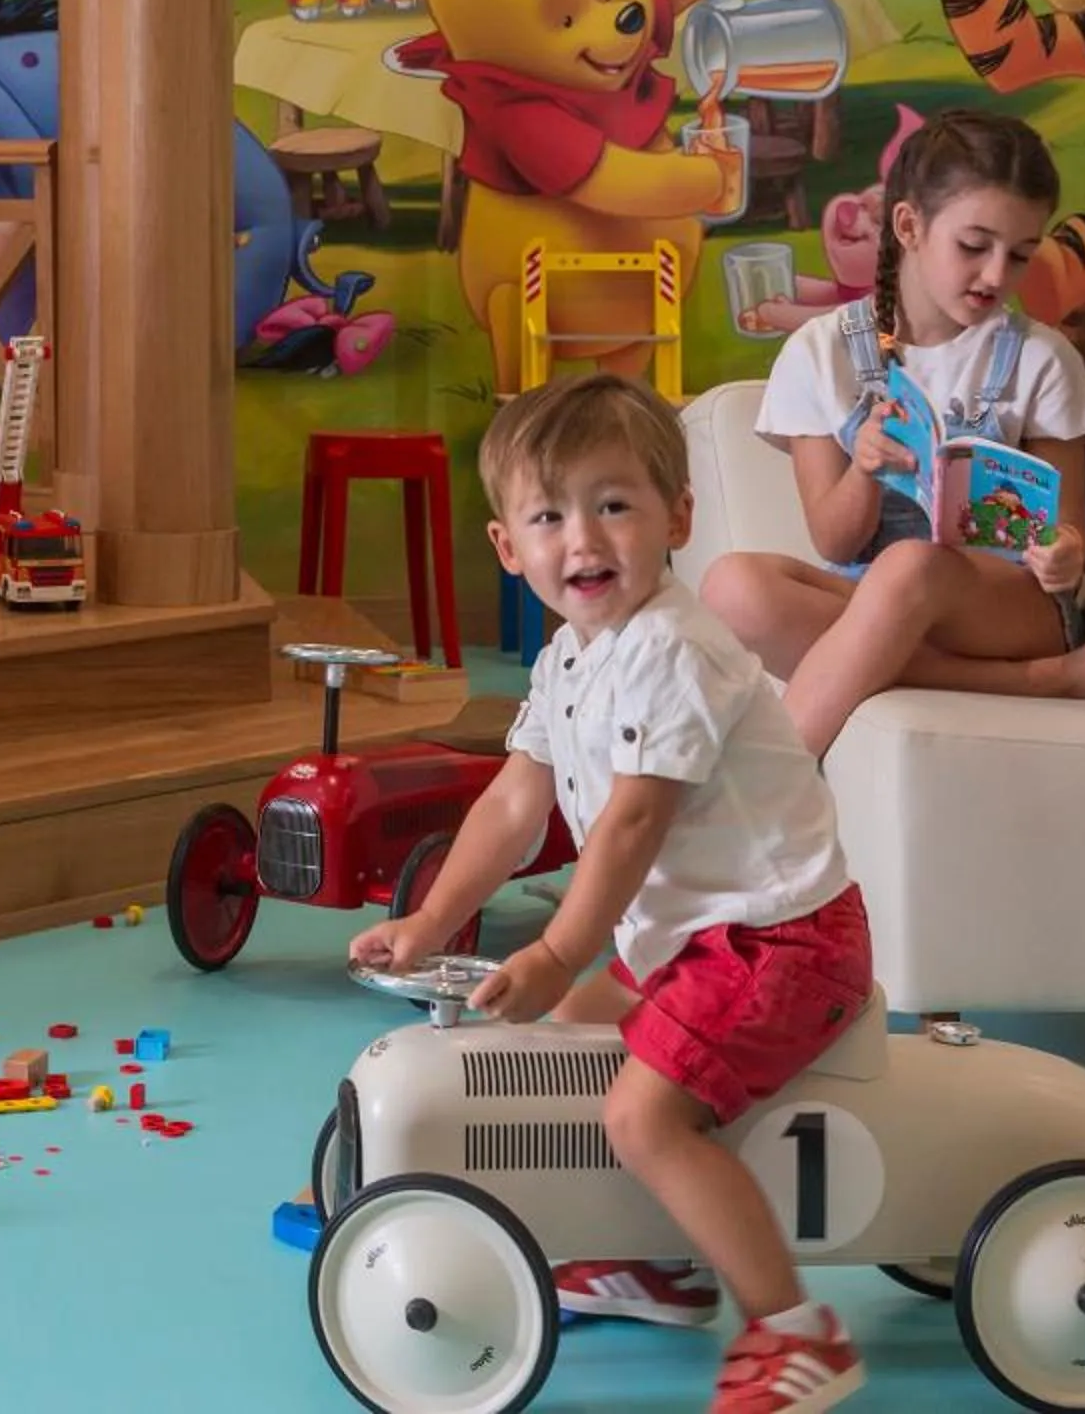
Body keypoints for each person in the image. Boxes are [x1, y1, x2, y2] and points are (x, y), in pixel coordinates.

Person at [351, 374, 873, 1414]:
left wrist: (556, 952)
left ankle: (795, 1329)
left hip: (778, 941)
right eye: (550, 514)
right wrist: (432, 918)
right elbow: (512, 804)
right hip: (691, 940)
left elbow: (634, 821)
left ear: (678, 517)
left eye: (615, 504)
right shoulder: (573, 658)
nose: (582, 537)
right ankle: (659, 1260)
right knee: (562, 1053)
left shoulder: (673, 651)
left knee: (642, 1112)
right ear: (510, 547)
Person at [700, 108, 1085, 755]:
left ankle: (771, 787)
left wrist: (1062, 552)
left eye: (1019, 255)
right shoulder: (820, 352)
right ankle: (1032, 683)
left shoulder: (1040, 357)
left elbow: (1071, 540)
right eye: (974, 245)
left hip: (1009, 606)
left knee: (908, 567)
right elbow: (833, 538)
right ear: (909, 226)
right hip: (869, 588)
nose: (995, 276)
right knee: (731, 587)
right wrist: (864, 468)